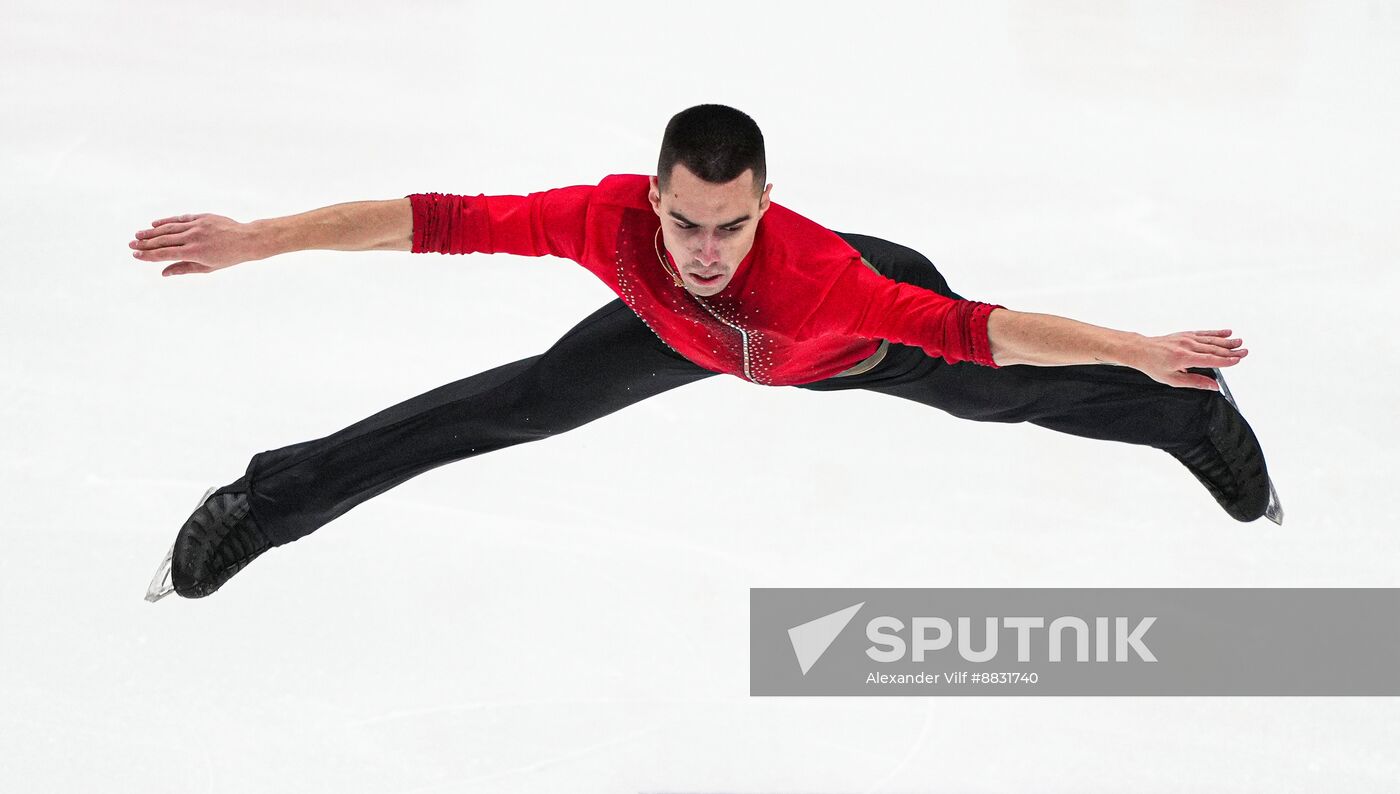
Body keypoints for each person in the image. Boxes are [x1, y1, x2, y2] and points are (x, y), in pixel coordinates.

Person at [134, 104, 1279, 602]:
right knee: (522, 401)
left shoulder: (826, 279)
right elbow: (426, 217)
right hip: (683, 343)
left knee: (1002, 398)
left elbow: (986, 329)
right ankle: (268, 498)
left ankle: (1192, 415)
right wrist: (257, 239)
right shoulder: (602, 222)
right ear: (653, 197)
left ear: (767, 205)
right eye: (685, 221)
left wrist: (1138, 348)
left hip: (837, 344)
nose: (705, 247)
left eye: (732, 224)